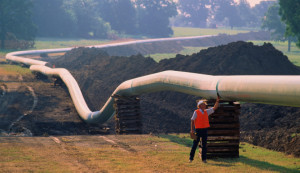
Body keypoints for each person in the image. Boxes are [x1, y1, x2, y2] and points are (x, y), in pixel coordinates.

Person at [189, 96, 220, 163]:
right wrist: (192, 130)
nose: (205, 105)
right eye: (204, 104)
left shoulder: (206, 111)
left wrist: (217, 101)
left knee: (204, 145)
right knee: (195, 145)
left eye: (205, 104)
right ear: (200, 106)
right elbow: (192, 120)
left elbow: (214, 108)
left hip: (204, 130)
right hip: (198, 130)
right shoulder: (196, 112)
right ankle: (191, 158)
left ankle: (204, 159)